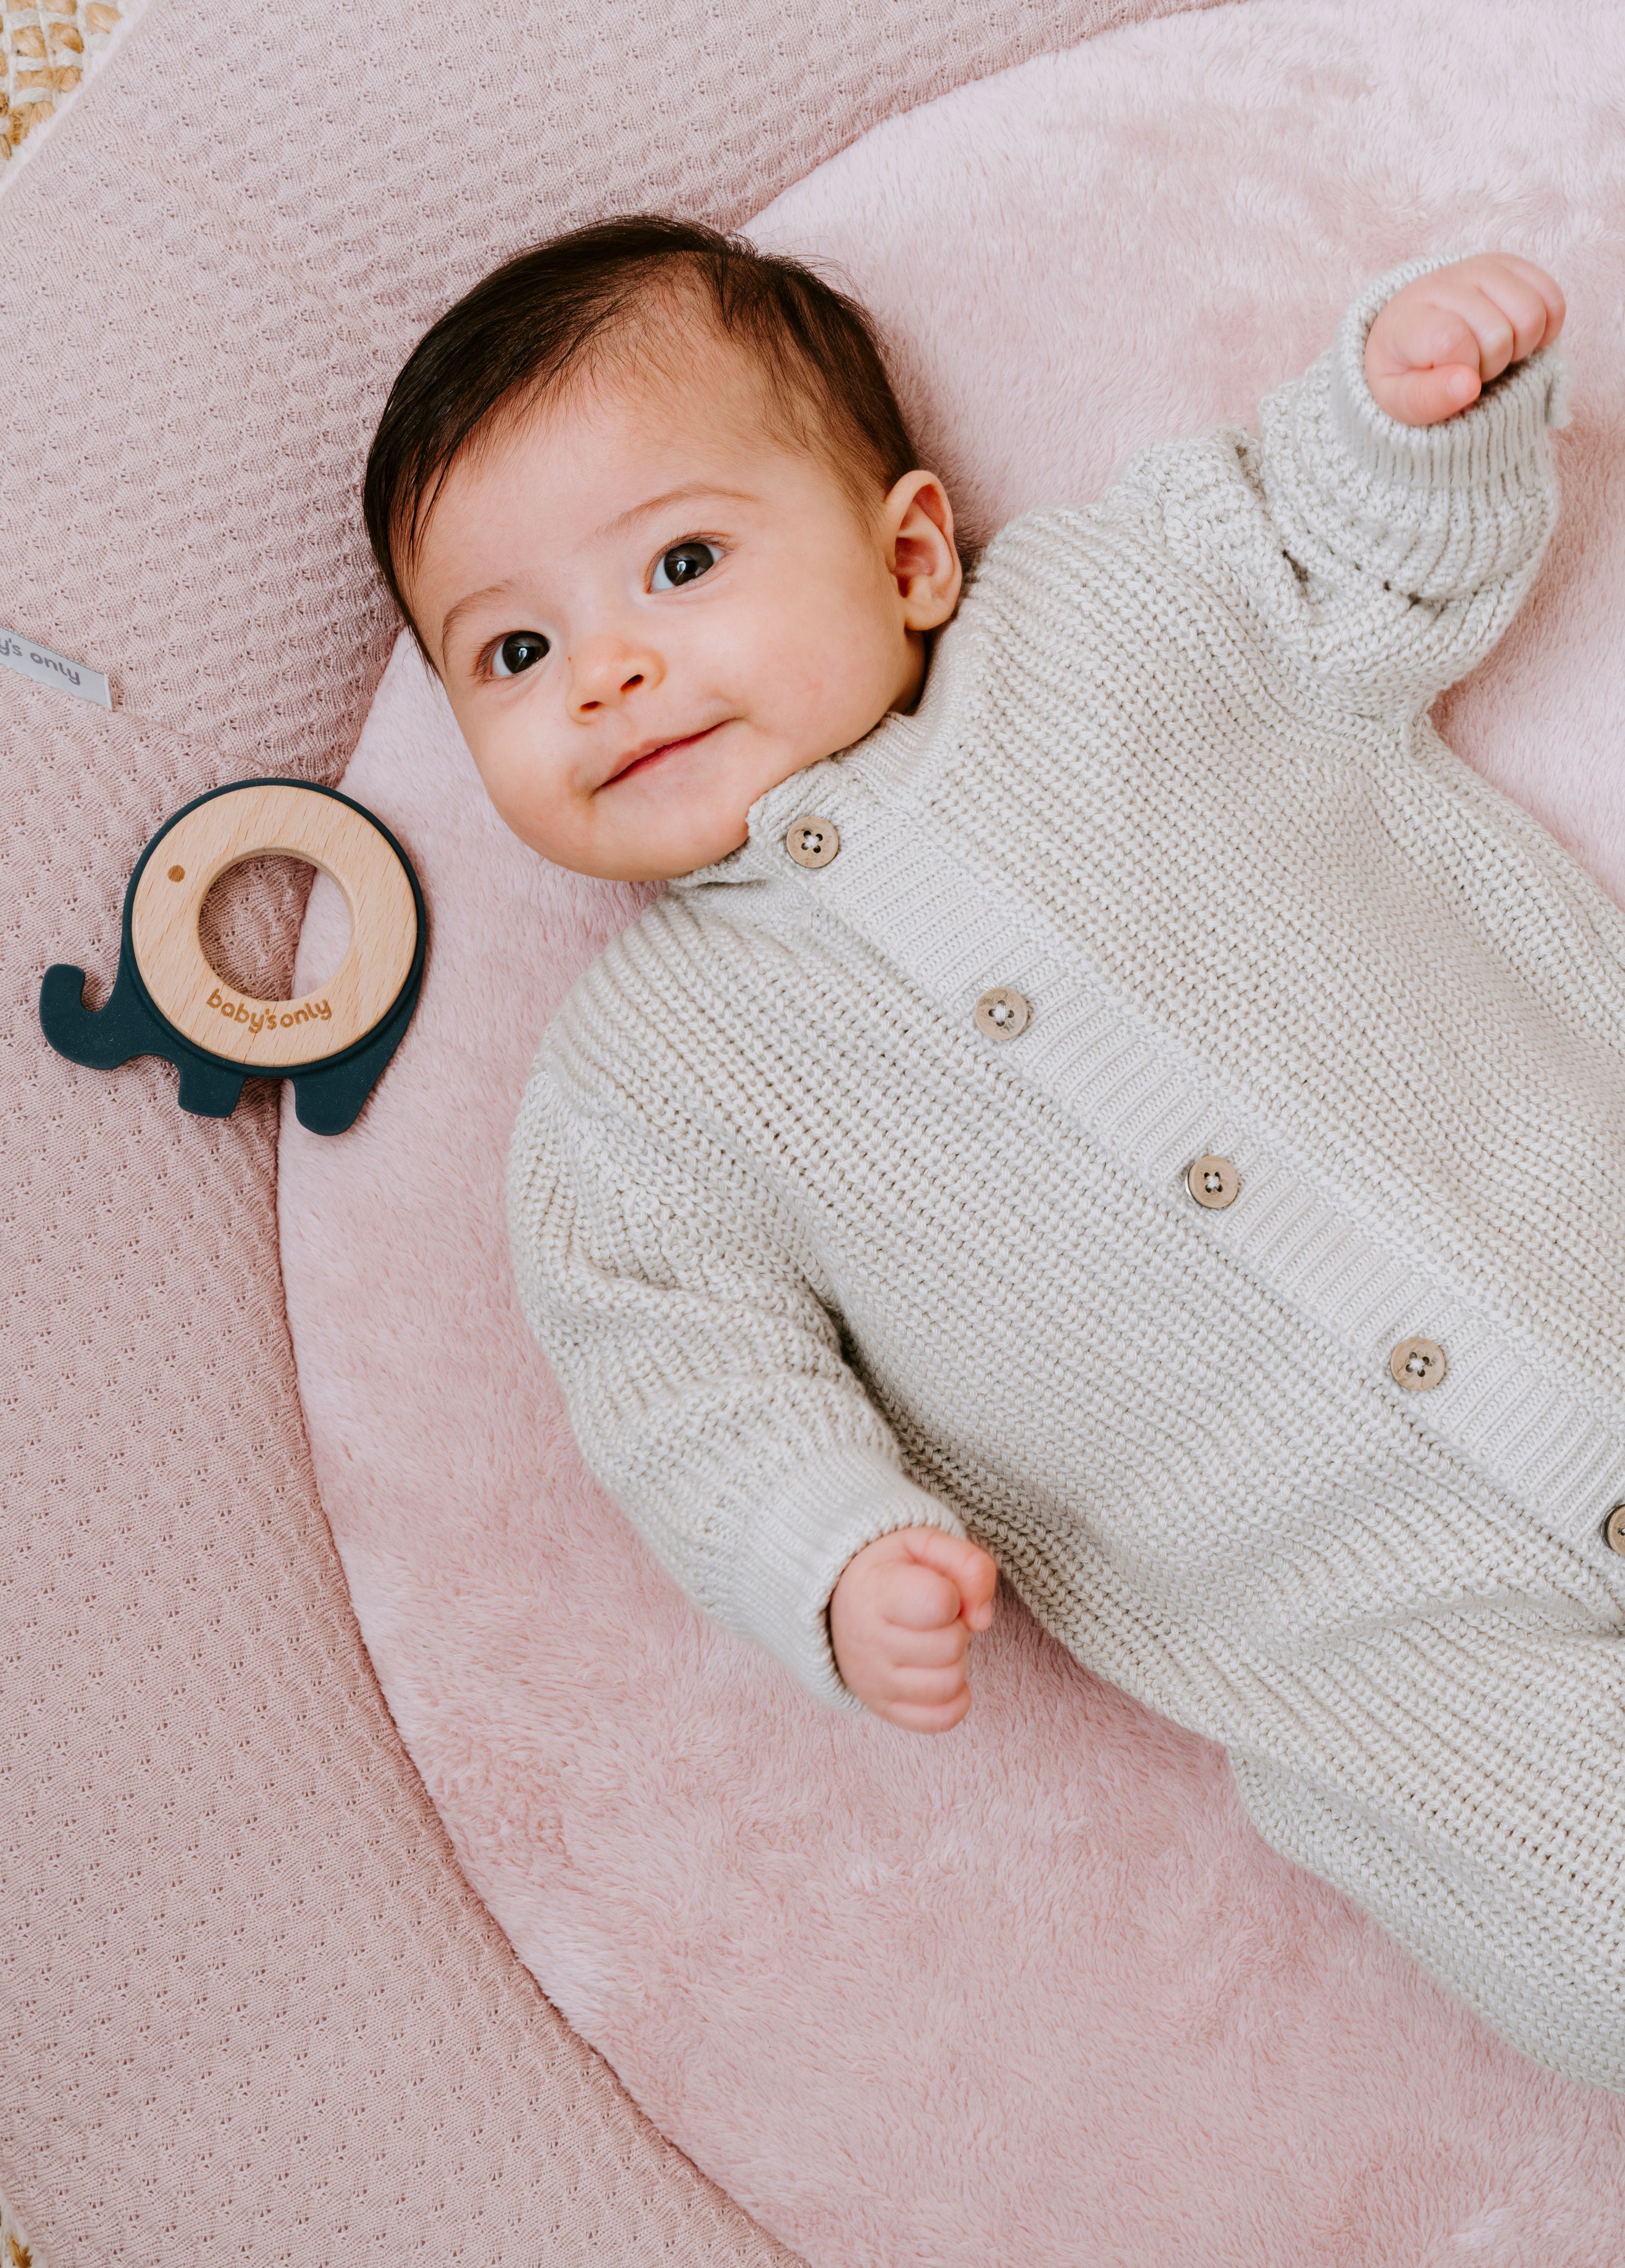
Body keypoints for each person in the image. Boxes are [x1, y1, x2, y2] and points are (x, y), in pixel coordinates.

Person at [363, 219, 1625, 2088]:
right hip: (1397, 1661)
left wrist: (1407, 419)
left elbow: (1339, 550)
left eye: (684, 563)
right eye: (516, 650)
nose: (608, 673)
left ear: (912, 549)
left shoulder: (1114, 621)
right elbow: (680, 1381)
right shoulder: (643, 1084)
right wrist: (828, 1545)